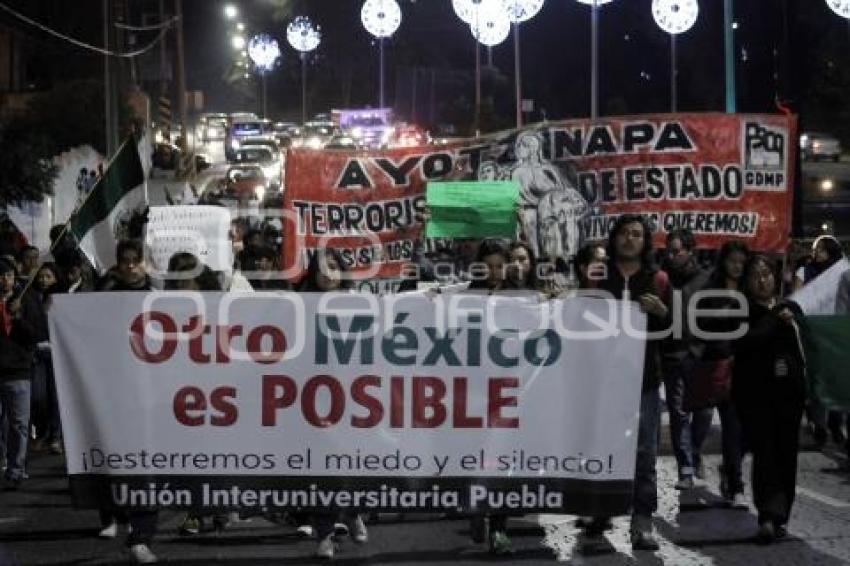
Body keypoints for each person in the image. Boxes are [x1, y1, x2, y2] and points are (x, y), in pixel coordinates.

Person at [591, 214, 670, 551]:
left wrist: (663, 312)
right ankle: (600, 513)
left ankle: (642, 521)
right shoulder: (598, 277)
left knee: (643, 452)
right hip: (603, 379)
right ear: (614, 239)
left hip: (644, 379)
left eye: (636, 234)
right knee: (603, 447)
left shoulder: (659, 279)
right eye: (624, 233)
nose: (629, 239)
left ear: (645, 241)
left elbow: (675, 329)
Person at [297, 249, 368, 559]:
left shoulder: (360, 303)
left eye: (334, 266)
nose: (328, 273)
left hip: (354, 397)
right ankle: (325, 534)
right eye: (321, 267)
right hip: (313, 398)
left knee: (349, 465)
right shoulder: (298, 305)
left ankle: (351, 511)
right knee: (321, 467)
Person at [733, 255, 807, 544]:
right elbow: (744, 342)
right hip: (755, 394)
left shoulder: (791, 309)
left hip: (789, 396)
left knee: (786, 455)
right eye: (755, 275)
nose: (762, 280)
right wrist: (774, 322)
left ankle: (781, 517)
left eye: (766, 274)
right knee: (765, 454)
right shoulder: (742, 310)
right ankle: (767, 514)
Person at [95, 240, 159, 564]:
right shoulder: (103, 294)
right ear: (118, 264)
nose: (131, 266)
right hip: (113, 390)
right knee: (112, 458)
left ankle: (141, 535)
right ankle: (111, 514)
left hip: (151, 393)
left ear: (146, 263)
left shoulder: (162, 297)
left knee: (147, 464)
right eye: (126, 261)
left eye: (137, 261)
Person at [692, 240, 750, 508]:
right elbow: (700, 323)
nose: (737, 267)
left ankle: (730, 468)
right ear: (723, 261)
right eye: (732, 261)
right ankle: (736, 484)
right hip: (723, 365)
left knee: (749, 431)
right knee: (732, 427)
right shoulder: (710, 289)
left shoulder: (751, 287)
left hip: (751, 365)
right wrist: (722, 313)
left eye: (741, 262)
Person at [659, 229, 713, 490]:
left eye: (676, 250)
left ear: (691, 251)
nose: (671, 255)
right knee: (679, 414)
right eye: (668, 251)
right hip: (673, 356)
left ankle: (695, 450)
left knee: (703, 412)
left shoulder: (707, 279)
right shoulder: (662, 279)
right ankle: (686, 470)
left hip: (702, 357)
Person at [0, 259, 38, 490]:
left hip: (18, 371)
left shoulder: (26, 299)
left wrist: (18, 318)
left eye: (8, 275)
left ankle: (16, 469)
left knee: (18, 424)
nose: (4, 280)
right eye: (1, 276)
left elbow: (36, 334)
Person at [26, 263, 64, 455]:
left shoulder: (62, 298)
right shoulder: (29, 297)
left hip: (56, 353)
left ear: (56, 278)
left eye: (48, 276)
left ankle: (55, 437)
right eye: (40, 276)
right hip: (37, 353)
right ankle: (42, 433)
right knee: (38, 396)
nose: (43, 280)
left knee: (55, 398)